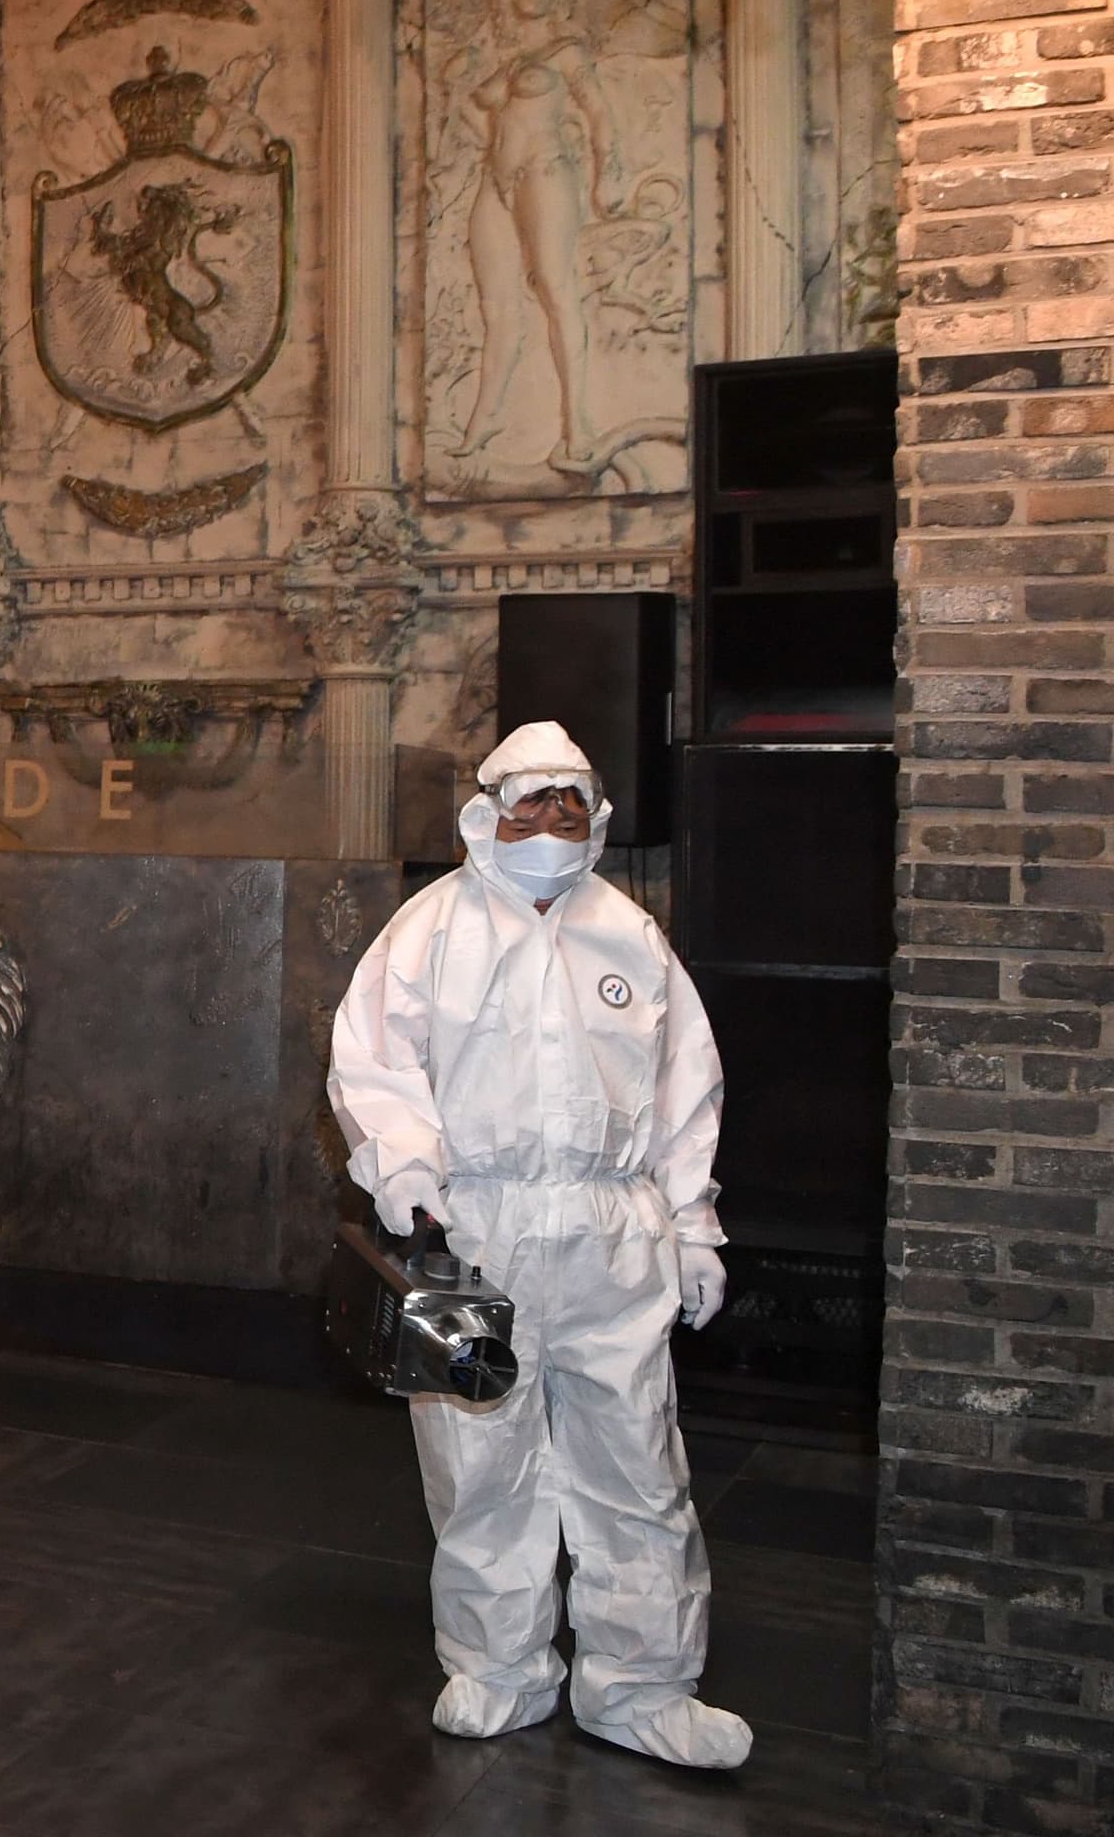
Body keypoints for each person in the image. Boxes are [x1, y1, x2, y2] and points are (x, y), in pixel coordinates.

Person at [326, 720, 748, 1769]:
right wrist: (406, 1170)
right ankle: (496, 1668)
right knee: (478, 1463)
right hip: (475, 1232)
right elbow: (373, 1062)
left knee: (636, 1466)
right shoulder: (430, 931)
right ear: (490, 815)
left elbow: (684, 1093)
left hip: (612, 1235)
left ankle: (642, 1686)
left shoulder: (632, 937)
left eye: (570, 801)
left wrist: (693, 1226)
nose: (550, 818)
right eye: (532, 800)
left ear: (595, 816)